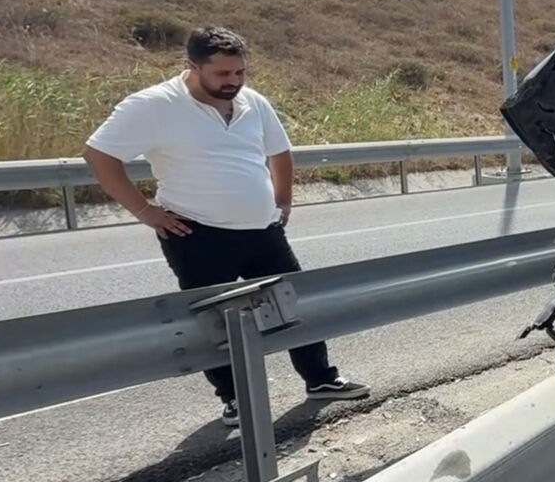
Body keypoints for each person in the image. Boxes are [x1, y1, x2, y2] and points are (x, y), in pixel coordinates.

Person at [83, 26, 368, 426]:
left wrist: (282, 200)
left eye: (240, 73)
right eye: (222, 75)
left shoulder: (253, 102)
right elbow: (99, 154)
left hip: (263, 230)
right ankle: (235, 399)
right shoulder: (152, 105)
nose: (233, 82)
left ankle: (321, 379)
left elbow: (279, 152)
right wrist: (145, 211)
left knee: (292, 306)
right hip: (198, 234)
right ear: (193, 67)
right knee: (215, 322)